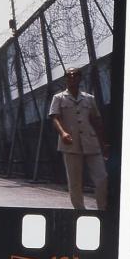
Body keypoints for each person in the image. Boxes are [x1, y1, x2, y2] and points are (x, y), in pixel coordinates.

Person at [48, 66, 108, 212]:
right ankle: (80, 211)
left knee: (102, 178)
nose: (72, 78)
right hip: (70, 143)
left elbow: (97, 121)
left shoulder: (89, 98)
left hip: (91, 142)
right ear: (65, 79)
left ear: (80, 78)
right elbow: (55, 117)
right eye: (69, 75)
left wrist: (103, 143)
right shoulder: (59, 98)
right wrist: (63, 133)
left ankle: (103, 209)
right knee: (75, 182)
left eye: (75, 75)